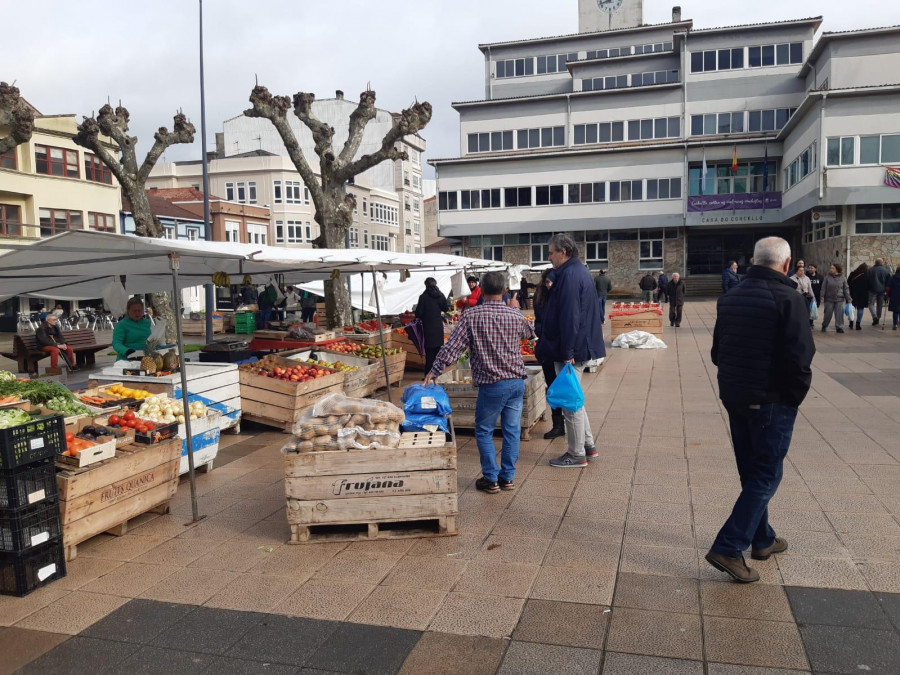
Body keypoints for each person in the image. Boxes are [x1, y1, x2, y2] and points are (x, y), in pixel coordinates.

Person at [707, 236, 815, 583]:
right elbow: (801, 358)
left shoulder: (731, 296)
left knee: (752, 472)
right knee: (767, 474)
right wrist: (792, 397)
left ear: (753, 261)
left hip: (735, 396)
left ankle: (762, 538)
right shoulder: (789, 298)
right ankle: (728, 545)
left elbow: (716, 352)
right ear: (786, 265)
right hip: (771, 401)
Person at [424, 272, 534, 493]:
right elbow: (530, 334)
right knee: (511, 430)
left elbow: (453, 348)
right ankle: (508, 478)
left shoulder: (472, 316)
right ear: (504, 291)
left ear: (481, 291)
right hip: (516, 382)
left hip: (492, 384)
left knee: (484, 430)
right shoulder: (513, 314)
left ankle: (491, 479)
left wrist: (434, 371)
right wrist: (515, 309)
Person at [536, 234, 605, 468]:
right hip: (576, 346)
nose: (549, 257)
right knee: (574, 398)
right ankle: (588, 445)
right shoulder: (575, 271)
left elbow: (570, 317)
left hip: (570, 349)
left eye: (551, 252)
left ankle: (576, 454)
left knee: (569, 402)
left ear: (563, 252)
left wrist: (567, 351)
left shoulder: (570, 275)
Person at [534, 270, 564, 439]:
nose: (548, 285)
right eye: (546, 282)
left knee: (565, 386)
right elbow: (538, 321)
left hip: (561, 348)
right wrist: (542, 330)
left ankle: (568, 421)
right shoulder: (540, 297)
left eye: (551, 282)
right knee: (552, 386)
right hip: (546, 347)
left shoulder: (562, 296)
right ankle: (557, 423)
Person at [415, 277, 449, 374]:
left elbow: (418, 313)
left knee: (429, 354)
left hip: (427, 328)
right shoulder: (440, 295)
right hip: (438, 328)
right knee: (438, 353)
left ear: (426, 285)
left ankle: (428, 375)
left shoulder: (423, 297)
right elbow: (446, 308)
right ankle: (438, 373)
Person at [820, 263, 852, 333]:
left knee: (839, 314)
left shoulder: (843, 278)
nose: (831, 269)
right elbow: (823, 287)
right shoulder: (827, 277)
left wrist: (848, 298)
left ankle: (839, 327)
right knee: (827, 314)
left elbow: (846, 288)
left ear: (837, 269)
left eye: (832, 268)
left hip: (839, 299)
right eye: (831, 268)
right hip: (829, 299)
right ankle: (824, 325)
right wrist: (822, 296)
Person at [867, 258, 891, 326]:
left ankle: (874, 317)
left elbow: (868, 280)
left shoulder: (870, 270)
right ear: (882, 262)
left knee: (870, 304)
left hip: (872, 289)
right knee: (879, 305)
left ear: (875, 262)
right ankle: (878, 317)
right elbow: (888, 280)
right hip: (882, 290)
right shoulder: (885, 270)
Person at [847, 263, 869, 331]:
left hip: (853, 293)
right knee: (860, 309)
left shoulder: (852, 274)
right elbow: (869, 285)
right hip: (863, 295)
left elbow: (848, 283)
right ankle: (858, 324)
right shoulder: (867, 276)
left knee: (852, 309)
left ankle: (851, 323)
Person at [886, 266, 900, 331]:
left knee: (896, 310)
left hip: (895, 295)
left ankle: (895, 324)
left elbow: (888, 287)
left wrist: (888, 295)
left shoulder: (893, 277)